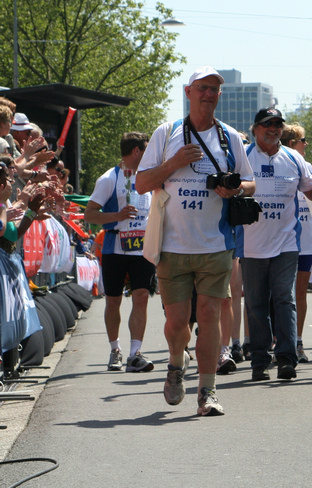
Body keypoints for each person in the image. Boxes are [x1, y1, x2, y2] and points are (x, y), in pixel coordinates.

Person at [136, 65, 255, 416]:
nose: (208, 94)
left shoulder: (229, 137)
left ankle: (207, 391)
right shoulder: (166, 133)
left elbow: (250, 183)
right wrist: (173, 163)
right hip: (172, 246)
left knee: (209, 316)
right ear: (188, 92)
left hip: (216, 245)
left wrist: (234, 188)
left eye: (214, 89)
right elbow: (142, 183)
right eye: (202, 88)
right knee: (177, 324)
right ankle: (176, 362)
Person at [238, 108, 312, 381]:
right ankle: (260, 361)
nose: (273, 128)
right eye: (268, 124)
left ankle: (287, 359)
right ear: (255, 128)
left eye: (278, 124)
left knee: (285, 299)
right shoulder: (242, 156)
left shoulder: (294, 158)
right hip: (251, 243)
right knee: (256, 303)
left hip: (287, 242)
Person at [84, 132, 156, 373]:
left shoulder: (150, 177)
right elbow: (90, 214)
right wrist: (117, 216)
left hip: (142, 248)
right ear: (136, 151)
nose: (150, 154)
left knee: (141, 296)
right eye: (146, 150)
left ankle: (135, 353)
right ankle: (115, 349)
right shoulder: (109, 178)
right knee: (113, 300)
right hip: (115, 246)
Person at [282, 123, 312, 363]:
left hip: (306, 239)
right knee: (282, 294)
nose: (306, 144)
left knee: (300, 292)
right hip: (285, 240)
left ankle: (298, 340)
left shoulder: (308, 167)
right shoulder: (281, 165)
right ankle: (280, 340)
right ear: (292, 143)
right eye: (303, 140)